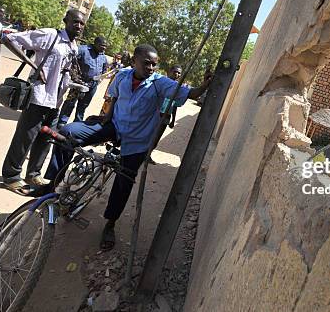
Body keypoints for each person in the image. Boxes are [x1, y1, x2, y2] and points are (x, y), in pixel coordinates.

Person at [43, 44, 212, 250]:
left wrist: (205, 84)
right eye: (146, 63)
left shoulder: (160, 83)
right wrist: (106, 116)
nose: (151, 68)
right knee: (67, 133)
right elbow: (114, 97)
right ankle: (53, 185)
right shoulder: (123, 75)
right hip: (114, 126)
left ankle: (110, 223)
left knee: (124, 181)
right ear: (134, 62)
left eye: (154, 65)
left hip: (137, 140)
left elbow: (191, 94)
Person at [0, 9, 85, 194]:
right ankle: (11, 176)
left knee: (46, 139)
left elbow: (64, 71)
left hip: (56, 100)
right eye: (75, 22)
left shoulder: (74, 46)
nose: (78, 26)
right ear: (66, 21)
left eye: (81, 23)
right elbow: (8, 38)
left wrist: (74, 84)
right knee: (25, 138)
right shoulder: (50, 35)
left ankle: (33, 174)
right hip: (39, 97)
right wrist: (33, 65)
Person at [57, 36, 109, 127]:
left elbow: (104, 69)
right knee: (70, 103)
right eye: (102, 45)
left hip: (92, 85)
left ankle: (76, 125)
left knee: (83, 106)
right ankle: (62, 122)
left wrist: (100, 78)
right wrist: (74, 76)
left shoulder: (103, 56)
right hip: (79, 83)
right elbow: (71, 61)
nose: (104, 48)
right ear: (95, 43)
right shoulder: (83, 50)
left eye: (105, 46)